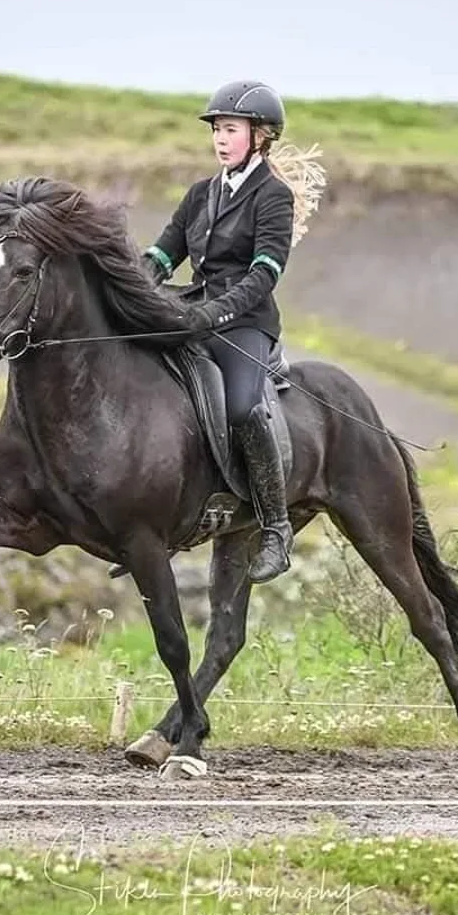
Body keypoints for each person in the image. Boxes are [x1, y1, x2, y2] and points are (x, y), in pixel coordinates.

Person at [141, 79, 326, 583]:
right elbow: (160, 256)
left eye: (230, 129)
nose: (220, 139)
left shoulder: (273, 197)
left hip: (245, 323)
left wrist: (214, 314)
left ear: (260, 135)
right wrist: (130, 290)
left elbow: (264, 274)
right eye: (217, 130)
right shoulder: (201, 194)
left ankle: (275, 527)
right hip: (195, 311)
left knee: (243, 407)